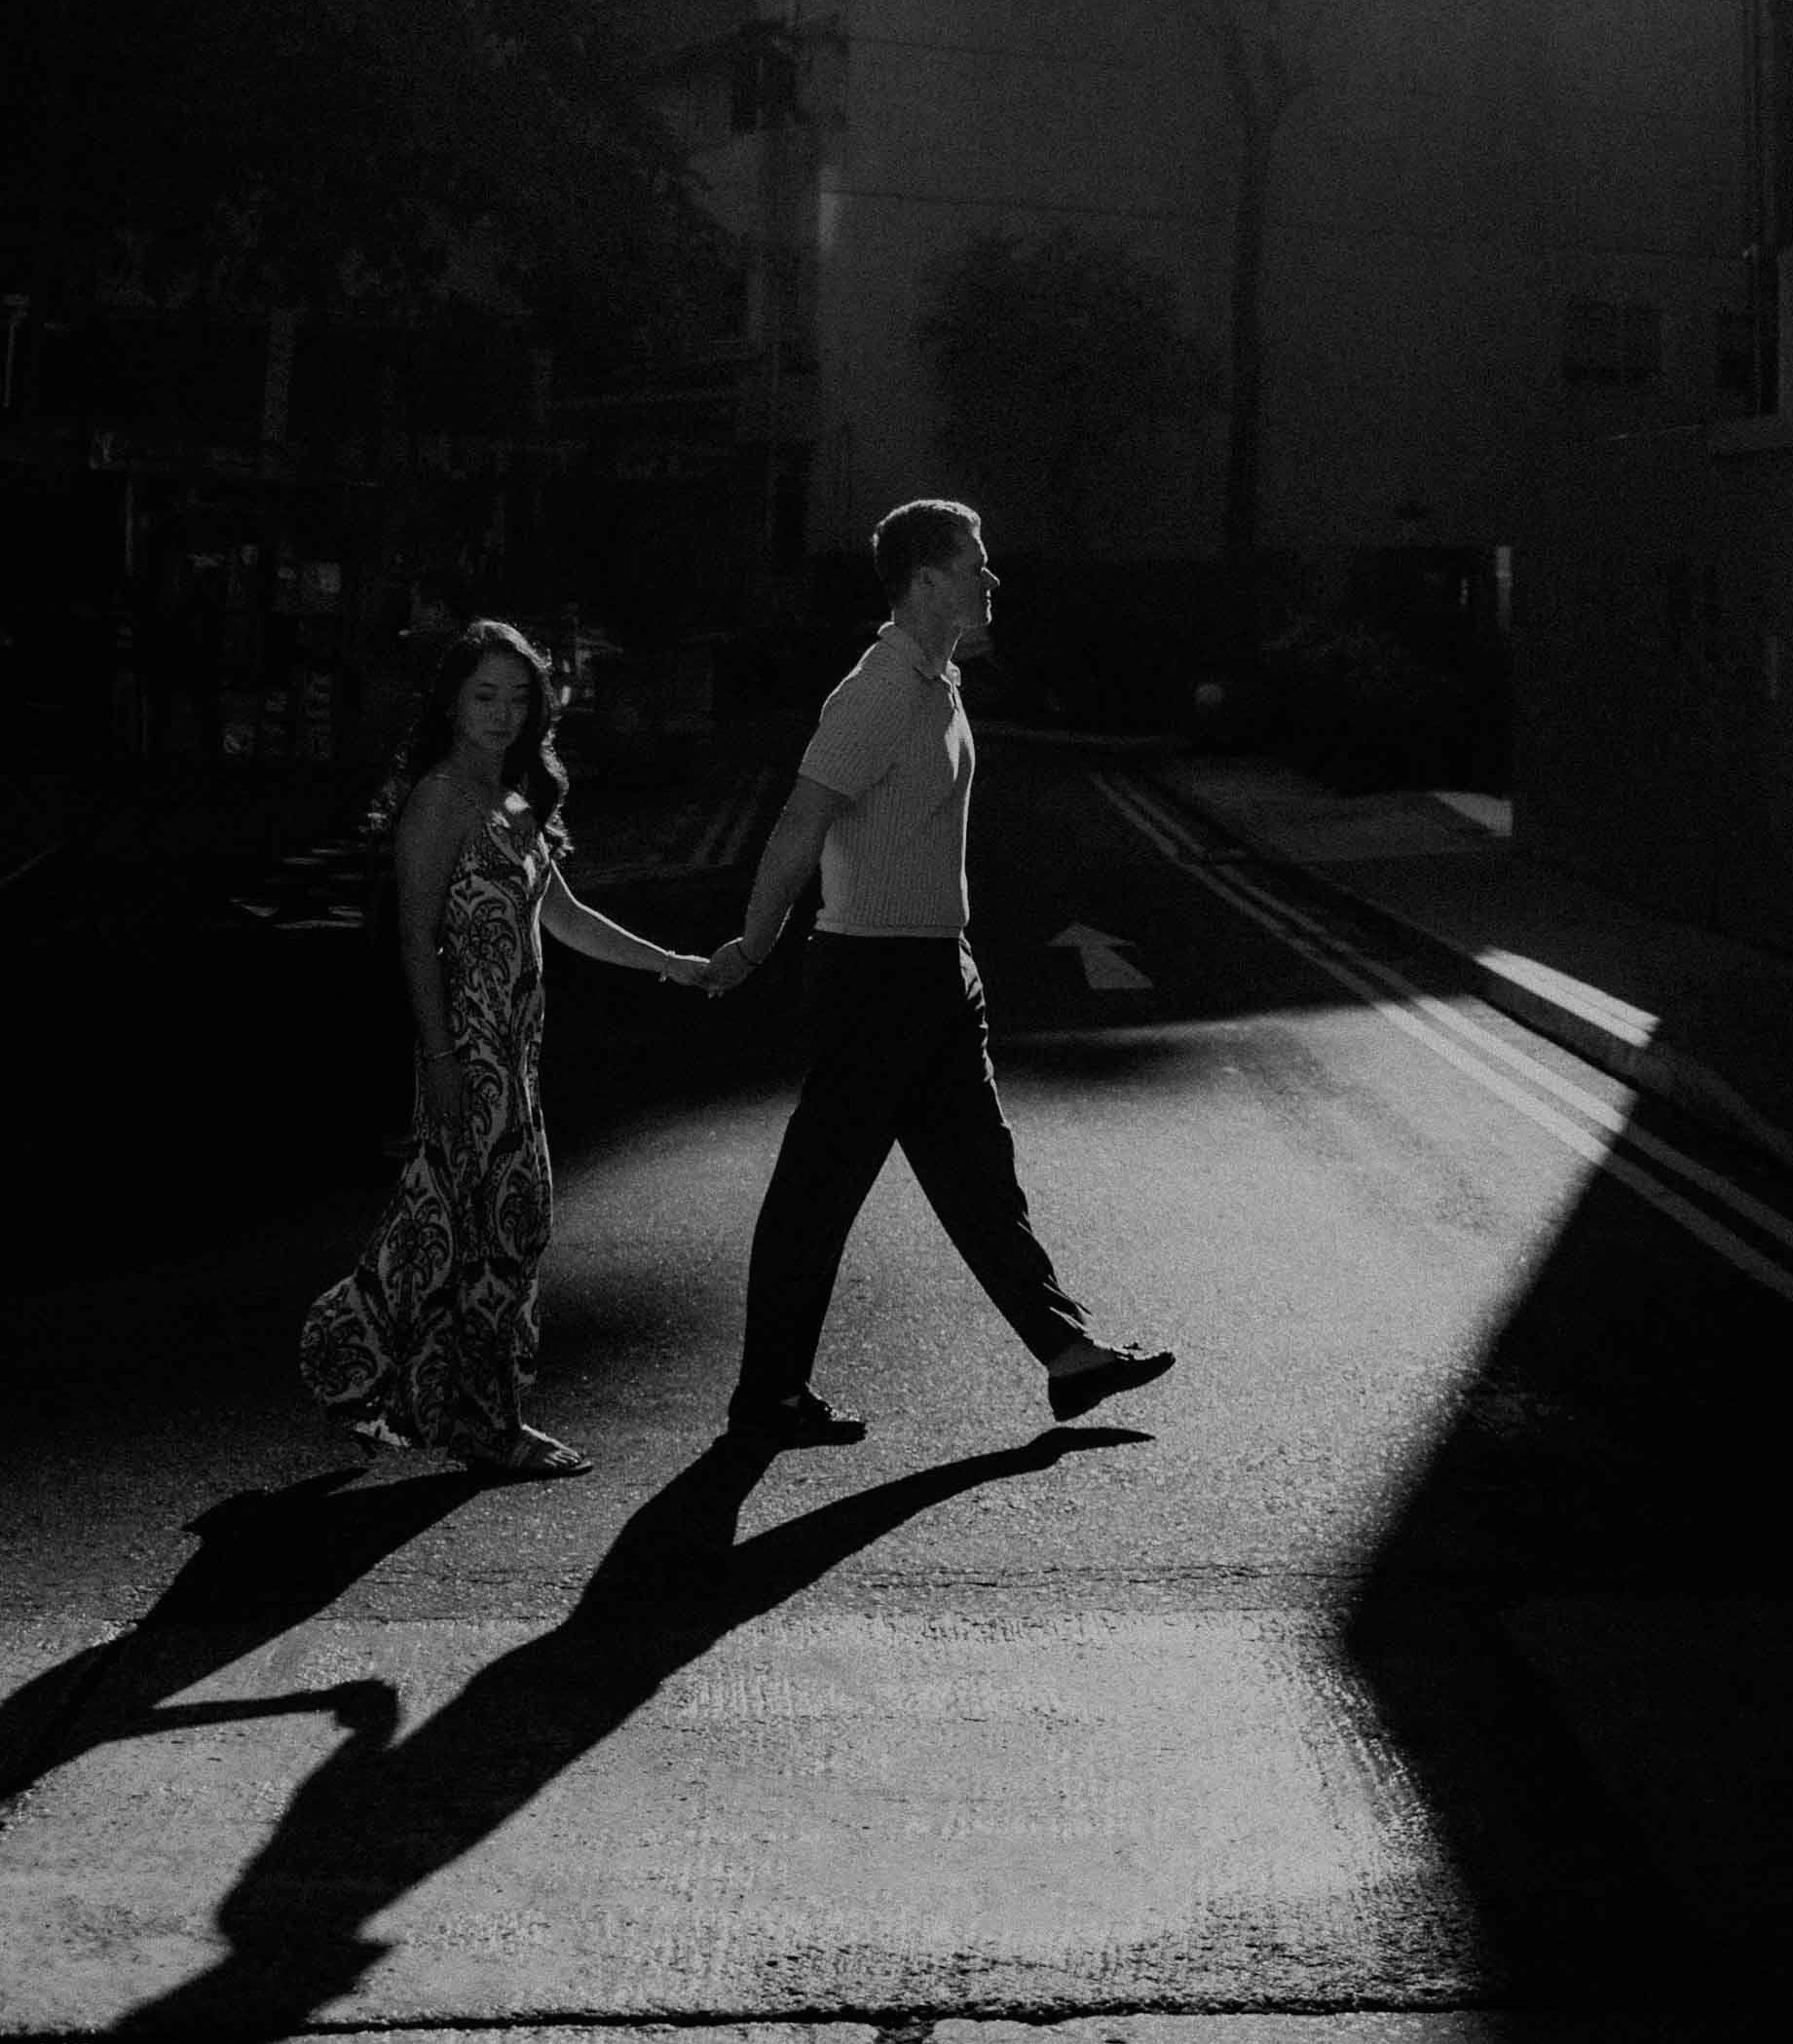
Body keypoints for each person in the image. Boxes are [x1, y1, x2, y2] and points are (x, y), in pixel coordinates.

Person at [706, 501, 1173, 1445]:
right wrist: (753, 943)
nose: (990, 581)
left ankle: (1067, 1354)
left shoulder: (935, 679)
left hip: (932, 969)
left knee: (977, 1174)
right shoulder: (879, 689)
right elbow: (802, 819)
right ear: (925, 582)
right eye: (975, 566)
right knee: (819, 1190)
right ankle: (768, 1398)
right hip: (875, 974)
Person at [301, 615, 709, 1479]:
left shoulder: (517, 799)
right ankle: (488, 1423)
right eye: (485, 695)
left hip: (516, 1053)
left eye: (519, 697)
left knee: (450, 1228)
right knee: (506, 1230)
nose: (502, 713)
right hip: (469, 1057)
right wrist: (444, 1066)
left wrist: (674, 964)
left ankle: (355, 1356)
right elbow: (414, 939)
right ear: (452, 700)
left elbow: (564, 918)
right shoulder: (440, 798)